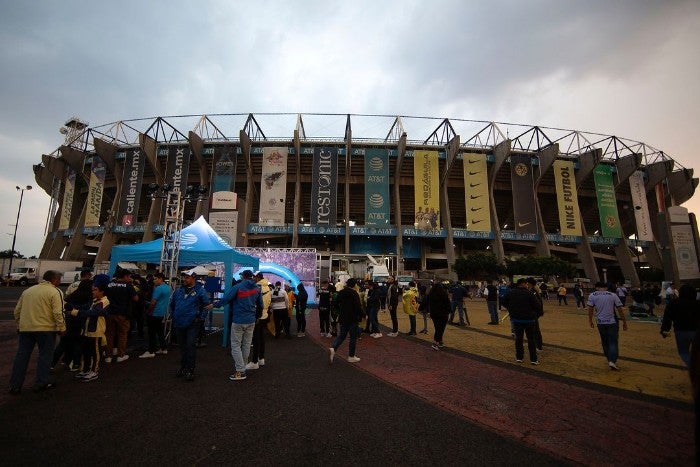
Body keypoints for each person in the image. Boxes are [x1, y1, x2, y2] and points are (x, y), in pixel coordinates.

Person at [9, 270, 66, 394]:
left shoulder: (27, 291)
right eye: (59, 279)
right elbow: (58, 312)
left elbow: (17, 311)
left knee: (22, 356)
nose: (60, 282)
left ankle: (15, 385)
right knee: (45, 356)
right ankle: (41, 382)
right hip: (45, 329)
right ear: (54, 279)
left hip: (26, 329)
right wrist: (61, 328)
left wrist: (19, 325)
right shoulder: (55, 291)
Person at [215, 270, 263, 381]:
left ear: (243, 276)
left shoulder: (238, 287)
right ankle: (243, 367)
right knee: (246, 345)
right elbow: (261, 305)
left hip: (239, 320)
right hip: (251, 320)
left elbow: (226, 299)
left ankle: (240, 371)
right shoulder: (257, 288)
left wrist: (216, 304)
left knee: (235, 345)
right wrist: (257, 317)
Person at [170, 270, 213, 381]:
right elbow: (173, 304)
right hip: (179, 322)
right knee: (183, 347)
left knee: (190, 346)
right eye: (184, 277)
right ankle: (183, 367)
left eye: (187, 277)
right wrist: (173, 316)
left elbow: (206, 305)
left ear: (194, 278)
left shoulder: (200, 291)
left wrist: (200, 319)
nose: (185, 279)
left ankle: (190, 369)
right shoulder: (178, 291)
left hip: (192, 324)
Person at [70, 274, 111, 383]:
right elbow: (85, 308)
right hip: (88, 331)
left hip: (96, 332)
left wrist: (75, 312)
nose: (93, 292)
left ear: (102, 291)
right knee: (86, 352)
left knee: (95, 353)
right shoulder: (95, 301)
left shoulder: (104, 302)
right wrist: (71, 307)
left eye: (95, 290)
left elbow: (94, 313)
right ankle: (85, 369)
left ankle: (94, 371)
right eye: (92, 290)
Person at [53, 270, 92, 371]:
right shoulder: (89, 297)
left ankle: (52, 363)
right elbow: (87, 309)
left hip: (69, 320)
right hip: (80, 322)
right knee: (78, 343)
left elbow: (65, 302)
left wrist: (70, 310)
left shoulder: (73, 291)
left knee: (63, 343)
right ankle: (76, 364)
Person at [501, 278, 542, 365]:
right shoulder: (529, 293)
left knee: (518, 339)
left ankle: (519, 357)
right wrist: (533, 312)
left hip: (516, 319)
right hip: (529, 320)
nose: (527, 285)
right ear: (523, 284)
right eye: (526, 284)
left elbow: (503, 301)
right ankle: (533, 359)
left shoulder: (511, 293)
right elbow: (538, 305)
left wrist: (511, 309)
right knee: (531, 340)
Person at [587, 281, 627, 370]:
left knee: (604, 341)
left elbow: (590, 309)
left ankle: (609, 359)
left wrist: (590, 320)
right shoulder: (613, 295)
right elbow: (619, 309)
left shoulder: (592, 295)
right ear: (606, 287)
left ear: (597, 287)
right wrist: (624, 321)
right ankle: (612, 360)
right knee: (613, 342)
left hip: (600, 322)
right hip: (612, 322)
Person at [660, 284, 700, 367]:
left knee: (683, 352)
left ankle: (694, 368)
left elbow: (667, 318)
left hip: (681, 331)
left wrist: (665, 330)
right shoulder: (697, 303)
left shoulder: (673, 303)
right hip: (697, 331)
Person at [104, 268, 138, 363]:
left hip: (109, 313)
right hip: (123, 314)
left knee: (109, 335)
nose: (130, 278)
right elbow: (136, 298)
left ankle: (108, 356)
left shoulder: (109, 285)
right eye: (129, 276)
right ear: (125, 276)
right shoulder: (128, 286)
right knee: (122, 335)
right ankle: (120, 355)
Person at [329, 278, 364, 363]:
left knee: (342, 335)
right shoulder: (354, 293)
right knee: (353, 337)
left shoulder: (341, 292)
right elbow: (358, 306)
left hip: (343, 318)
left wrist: (340, 311)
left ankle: (333, 347)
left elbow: (335, 303)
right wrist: (363, 315)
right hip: (353, 318)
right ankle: (351, 356)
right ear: (354, 285)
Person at [139, 272, 171, 358]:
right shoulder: (168, 288)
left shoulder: (158, 289)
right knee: (159, 331)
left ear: (160, 279)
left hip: (154, 312)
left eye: (156, 279)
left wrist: (148, 311)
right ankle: (163, 348)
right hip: (161, 313)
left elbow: (153, 302)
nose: (154, 281)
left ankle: (151, 351)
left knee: (152, 332)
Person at [248, 272, 271, 370]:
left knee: (256, 338)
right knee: (262, 337)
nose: (253, 278)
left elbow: (255, 302)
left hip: (258, 316)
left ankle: (254, 362)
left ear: (258, 277)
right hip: (265, 315)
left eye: (254, 277)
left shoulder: (256, 287)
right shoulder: (268, 287)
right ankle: (261, 358)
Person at [427, 283, 451, 350]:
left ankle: (440, 341)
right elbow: (448, 304)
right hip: (443, 314)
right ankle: (436, 342)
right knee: (440, 329)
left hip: (434, 314)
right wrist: (448, 311)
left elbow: (426, 302)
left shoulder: (431, 295)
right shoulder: (444, 295)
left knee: (437, 327)